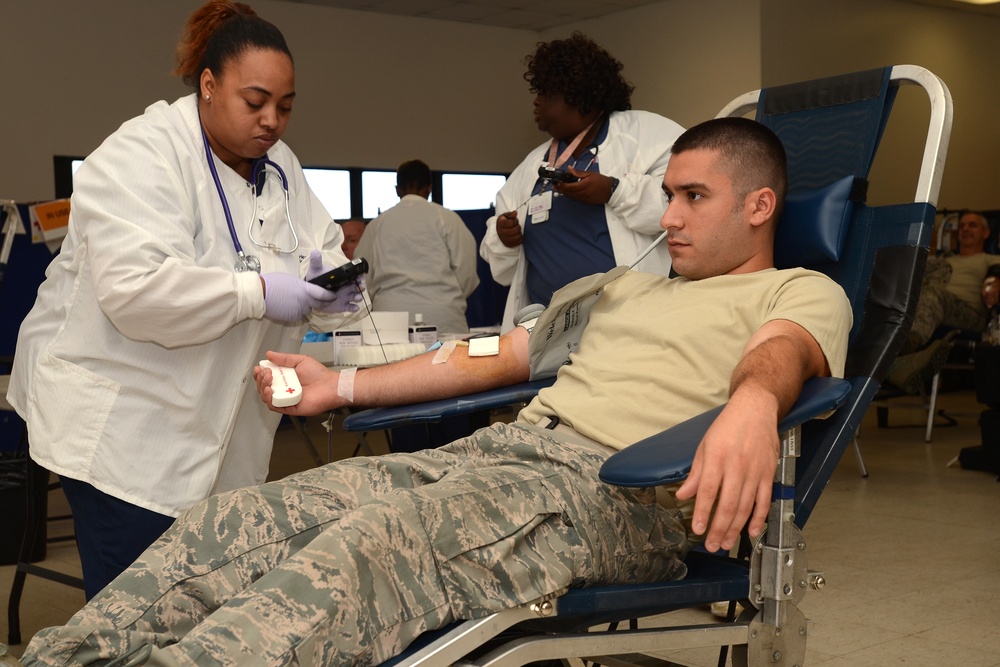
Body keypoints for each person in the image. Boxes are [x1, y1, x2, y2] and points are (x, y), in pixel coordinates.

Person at [11, 118, 851, 667]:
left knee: (366, 548)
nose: (667, 216)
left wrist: (752, 407)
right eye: (667, 195)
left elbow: (782, 354)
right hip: (505, 455)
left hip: (614, 491)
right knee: (239, 518)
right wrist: (340, 384)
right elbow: (492, 353)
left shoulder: (798, 291)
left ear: (760, 205)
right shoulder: (621, 288)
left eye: (693, 197)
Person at [4, 0, 364, 600]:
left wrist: (332, 289)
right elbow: (136, 291)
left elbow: (319, 250)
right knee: (136, 618)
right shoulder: (142, 154)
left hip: (220, 430)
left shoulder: (281, 169)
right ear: (208, 85)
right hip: (126, 437)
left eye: (285, 106)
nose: (272, 121)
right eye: (255, 102)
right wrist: (257, 292)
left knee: (205, 610)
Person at [480, 33, 684, 330]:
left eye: (547, 95)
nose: (536, 102)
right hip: (547, 330)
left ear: (582, 101)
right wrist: (504, 237)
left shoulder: (648, 135)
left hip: (626, 324)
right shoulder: (532, 165)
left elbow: (684, 207)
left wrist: (613, 190)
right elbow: (500, 268)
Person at [354, 159, 480, 334]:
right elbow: (467, 273)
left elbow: (361, 278)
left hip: (390, 316)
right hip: (443, 315)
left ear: (397, 190)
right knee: (448, 353)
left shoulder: (377, 225)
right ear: (429, 188)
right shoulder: (447, 219)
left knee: (394, 354)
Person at [886, 210, 1000, 393]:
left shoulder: (991, 259)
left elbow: (996, 275)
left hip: (969, 314)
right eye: (962, 226)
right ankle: (899, 364)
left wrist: (994, 284)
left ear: (986, 233)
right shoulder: (941, 261)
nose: (965, 229)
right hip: (929, 308)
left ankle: (905, 347)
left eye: (972, 225)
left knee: (934, 294)